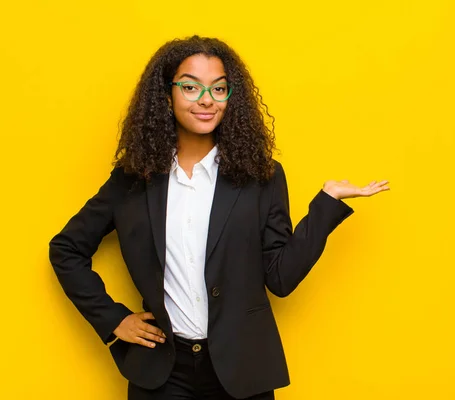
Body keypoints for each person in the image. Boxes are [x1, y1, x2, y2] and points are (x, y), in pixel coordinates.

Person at [49, 35, 389, 400]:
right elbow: (66, 249)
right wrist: (113, 320)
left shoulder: (262, 176)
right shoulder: (133, 179)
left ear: (231, 97)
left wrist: (326, 205)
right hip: (163, 373)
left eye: (219, 88)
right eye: (191, 87)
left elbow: (281, 277)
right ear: (166, 95)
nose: (207, 99)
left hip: (242, 371)